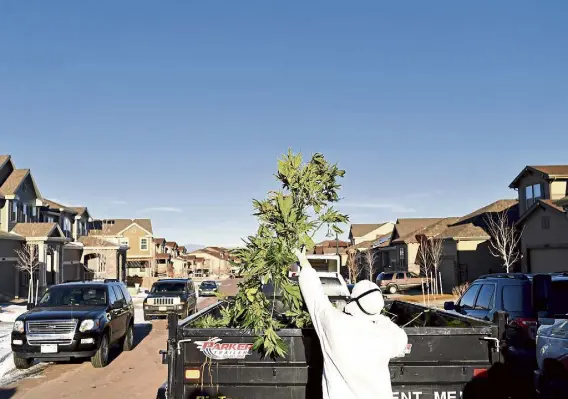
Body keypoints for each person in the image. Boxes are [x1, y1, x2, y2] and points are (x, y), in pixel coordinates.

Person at [293, 247, 408, 399]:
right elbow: (402, 341)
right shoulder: (387, 335)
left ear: (353, 302)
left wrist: (304, 262)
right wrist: (378, 316)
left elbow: (315, 296)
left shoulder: (336, 324)